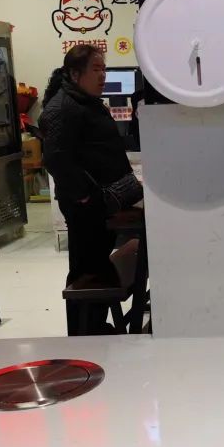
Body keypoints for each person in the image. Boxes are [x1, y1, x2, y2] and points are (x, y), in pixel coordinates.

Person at [40, 45, 142, 336]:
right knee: (86, 270)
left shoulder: (85, 101)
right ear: (75, 74)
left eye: (104, 69)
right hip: (85, 207)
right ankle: (83, 333)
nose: (102, 75)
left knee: (96, 264)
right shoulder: (63, 108)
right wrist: (85, 195)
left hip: (99, 203)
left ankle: (95, 327)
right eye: (96, 69)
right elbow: (55, 158)